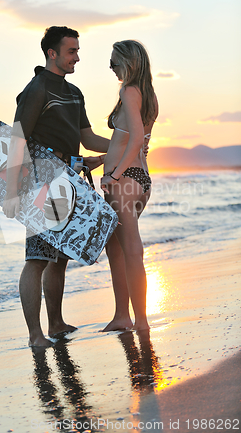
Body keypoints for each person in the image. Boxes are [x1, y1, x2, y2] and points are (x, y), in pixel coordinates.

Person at [3, 26, 109, 347]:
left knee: (60, 256)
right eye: (71, 51)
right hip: (40, 181)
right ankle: (36, 336)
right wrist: (11, 191)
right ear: (53, 53)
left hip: (69, 179)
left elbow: (87, 138)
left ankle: (56, 323)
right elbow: (17, 140)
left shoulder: (74, 93)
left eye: (77, 50)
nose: (77, 56)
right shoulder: (37, 90)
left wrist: (125, 142)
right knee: (37, 258)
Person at [100, 40, 158, 332]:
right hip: (140, 179)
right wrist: (101, 160)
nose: (110, 67)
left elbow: (135, 139)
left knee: (132, 250)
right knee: (115, 246)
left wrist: (113, 175)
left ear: (128, 62)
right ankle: (122, 315)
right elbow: (133, 143)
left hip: (125, 182)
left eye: (113, 62)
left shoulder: (129, 91)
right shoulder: (147, 94)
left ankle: (142, 322)